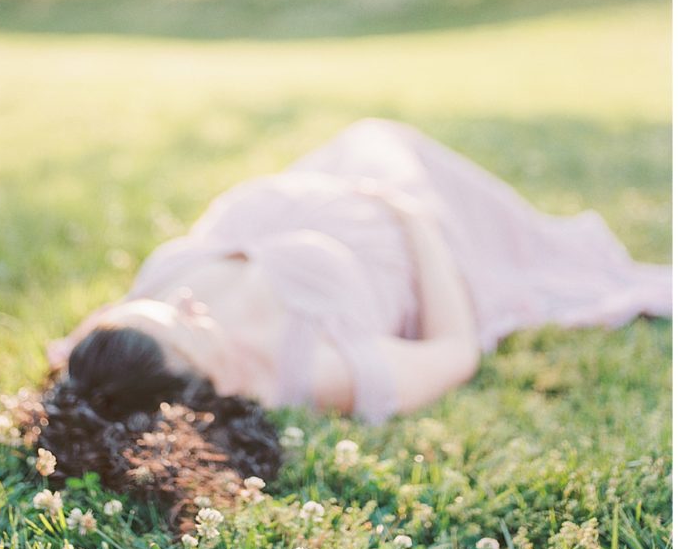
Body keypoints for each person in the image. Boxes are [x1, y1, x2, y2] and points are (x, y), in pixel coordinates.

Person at [47, 118, 672, 427]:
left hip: (330, 175)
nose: (182, 297)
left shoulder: (123, 350)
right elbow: (455, 351)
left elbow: (90, 345)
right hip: (415, 225)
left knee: (371, 131)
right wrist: (416, 220)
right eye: (186, 324)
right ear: (199, 391)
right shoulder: (312, 372)